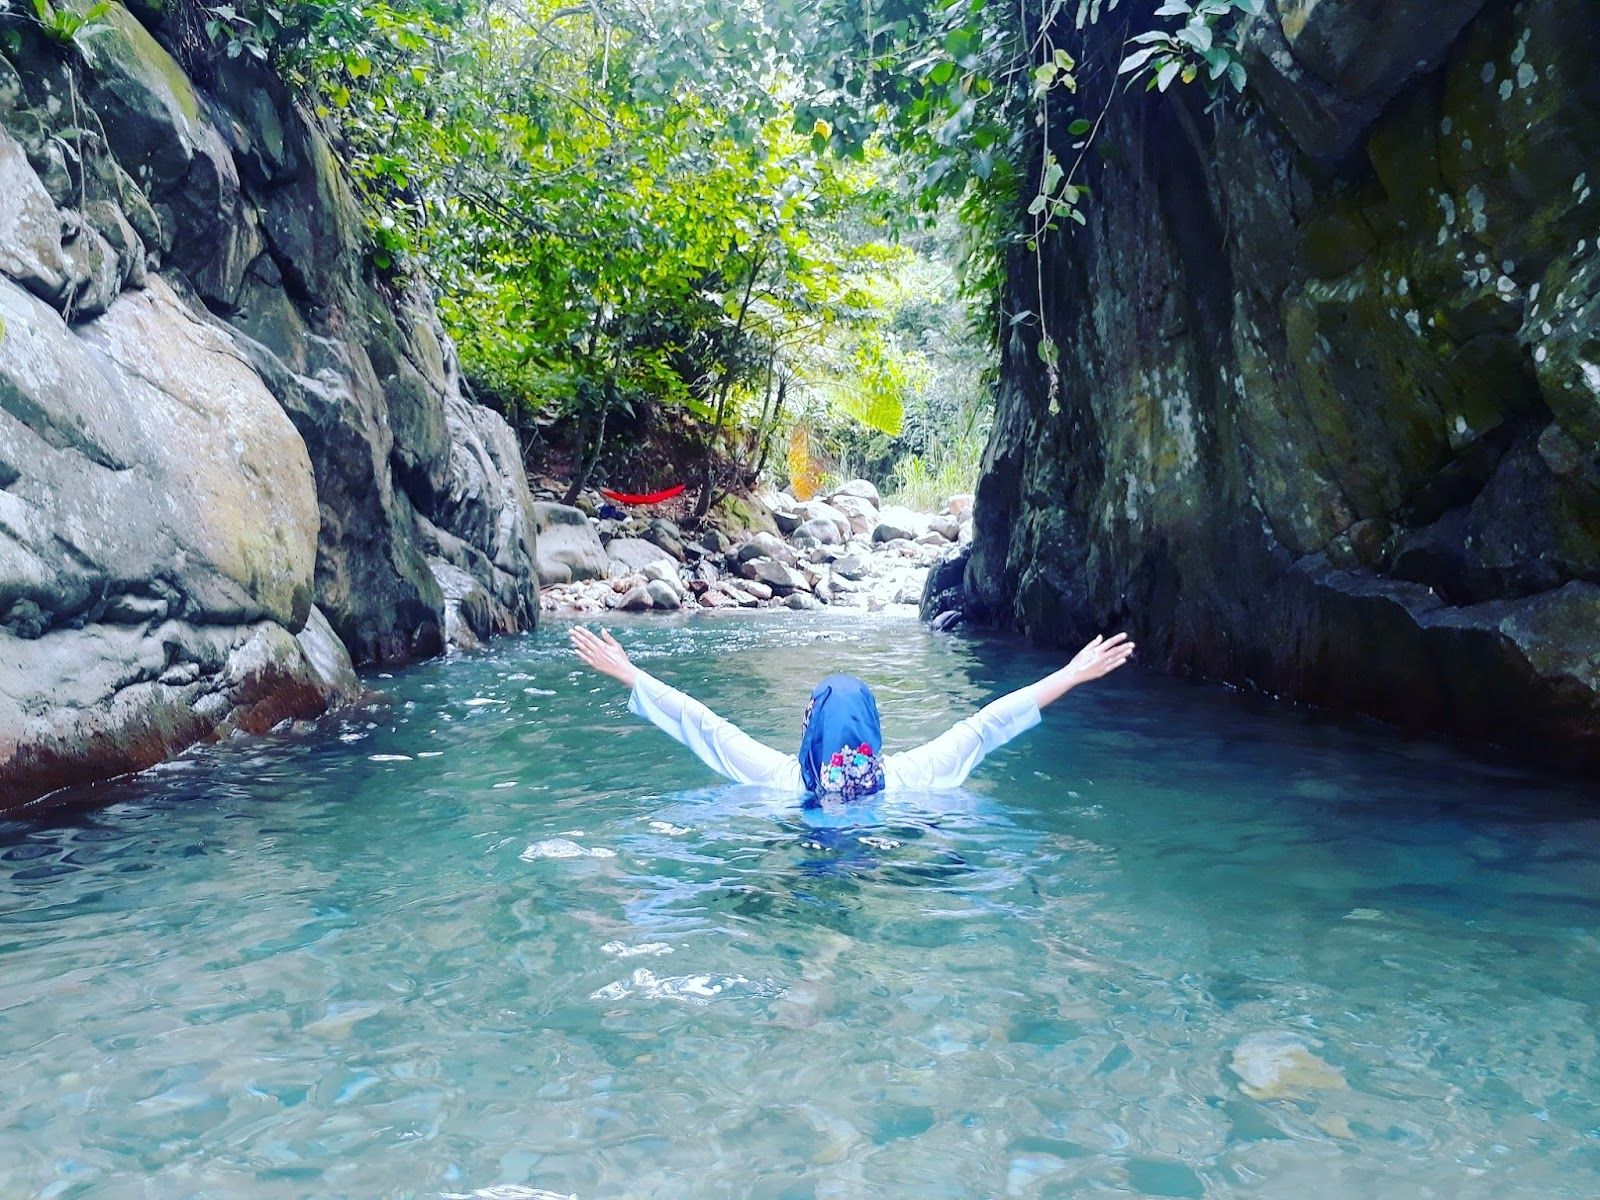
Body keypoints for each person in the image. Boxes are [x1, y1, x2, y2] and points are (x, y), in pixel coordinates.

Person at [568, 626, 1136, 799]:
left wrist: (631, 673)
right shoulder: (909, 777)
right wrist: (1069, 675)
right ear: (873, 730)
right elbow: (987, 725)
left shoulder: (781, 779)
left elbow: (701, 723)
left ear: (809, 729)